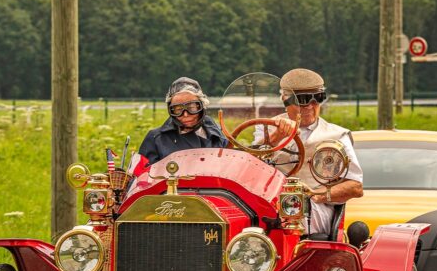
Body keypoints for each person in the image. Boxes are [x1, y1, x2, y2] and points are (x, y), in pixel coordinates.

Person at [255, 68, 363, 235]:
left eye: (318, 99)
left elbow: (355, 187)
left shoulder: (337, 135)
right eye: (303, 100)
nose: (310, 106)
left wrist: (316, 194)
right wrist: (277, 136)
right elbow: (249, 163)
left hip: (314, 208)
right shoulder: (267, 128)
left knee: (300, 209)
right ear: (286, 100)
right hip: (266, 204)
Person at [133, 77, 230, 174]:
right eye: (178, 110)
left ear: (202, 106)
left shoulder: (218, 133)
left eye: (191, 107)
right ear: (171, 110)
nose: (186, 114)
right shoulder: (155, 138)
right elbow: (141, 179)